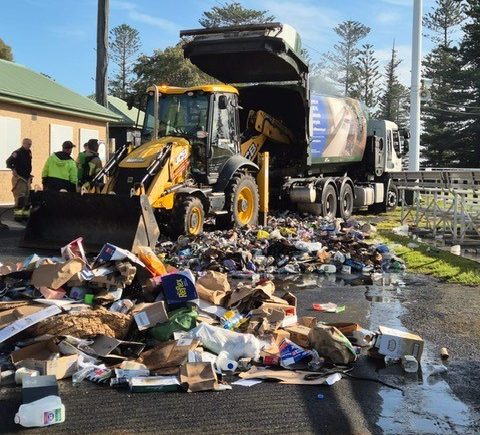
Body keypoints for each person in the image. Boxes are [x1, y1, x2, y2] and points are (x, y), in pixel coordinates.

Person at [6, 138, 33, 219]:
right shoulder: (17, 152)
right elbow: (8, 162)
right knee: (20, 197)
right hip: (19, 178)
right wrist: (13, 170)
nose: (30, 146)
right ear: (24, 143)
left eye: (30, 144)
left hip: (27, 177)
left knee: (27, 197)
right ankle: (18, 216)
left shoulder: (29, 152)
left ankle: (25, 215)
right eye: (29, 144)